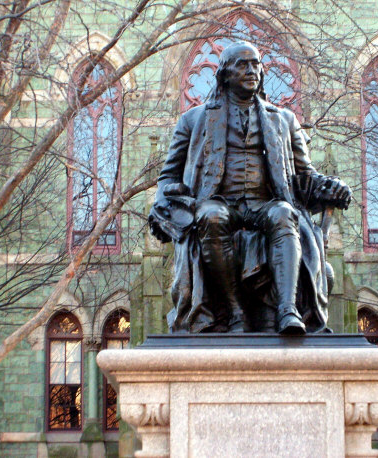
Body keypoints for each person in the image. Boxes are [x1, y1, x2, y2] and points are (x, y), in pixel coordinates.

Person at [149, 41, 351, 334]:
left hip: (265, 204)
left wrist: (334, 188)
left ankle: (287, 311)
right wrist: (163, 208)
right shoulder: (193, 120)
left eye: (256, 64)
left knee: (284, 213)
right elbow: (167, 177)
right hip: (219, 202)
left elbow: (304, 178)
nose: (251, 70)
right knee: (210, 216)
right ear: (224, 74)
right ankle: (235, 311)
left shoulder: (284, 120)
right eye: (242, 65)